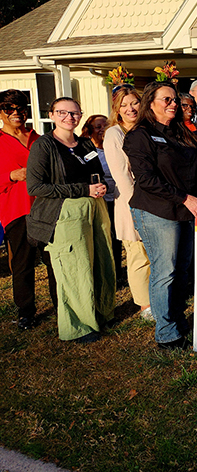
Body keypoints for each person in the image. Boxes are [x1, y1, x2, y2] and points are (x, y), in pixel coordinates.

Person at [124, 81, 197, 349]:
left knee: (182, 270)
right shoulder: (139, 135)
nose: (173, 103)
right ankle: (167, 334)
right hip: (157, 210)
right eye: (166, 99)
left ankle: (178, 322)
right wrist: (186, 198)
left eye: (175, 99)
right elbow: (147, 179)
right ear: (150, 103)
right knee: (165, 271)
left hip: (186, 210)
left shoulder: (183, 133)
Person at [27, 97, 116, 344]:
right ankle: (78, 326)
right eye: (62, 112)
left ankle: (100, 312)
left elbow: (97, 173)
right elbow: (36, 186)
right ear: (52, 114)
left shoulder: (85, 144)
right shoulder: (44, 146)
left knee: (101, 260)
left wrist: (100, 187)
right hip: (65, 213)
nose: (69, 117)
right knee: (75, 270)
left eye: (75, 113)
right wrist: (82, 190)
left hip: (95, 208)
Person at [0, 90, 57, 330]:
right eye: (9, 109)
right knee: (23, 263)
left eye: (21, 109)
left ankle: (61, 304)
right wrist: (11, 175)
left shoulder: (39, 138)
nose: (16, 113)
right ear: (1, 112)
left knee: (53, 259)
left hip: (45, 208)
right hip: (16, 209)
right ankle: (26, 311)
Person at [104, 86, 153, 319]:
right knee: (137, 254)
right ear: (117, 110)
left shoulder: (147, 129)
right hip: (132, 202)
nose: (130, 108)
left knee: (155, 253)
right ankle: (144, 305)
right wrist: (138, 205)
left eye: (134, 103)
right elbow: (121, 174)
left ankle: (157, 295)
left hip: (155, 198)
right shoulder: (115, 133)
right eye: (124, 105)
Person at [80, 114, 124, 283]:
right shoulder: (87, 151)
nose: (102, 130)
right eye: (98, 127)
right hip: (99, 200)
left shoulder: (114, 146)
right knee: (102, 237)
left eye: (105, 126)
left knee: (116, 237)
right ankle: (102, 273)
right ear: (89, 131)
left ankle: (116, 273)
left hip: (117, 198)